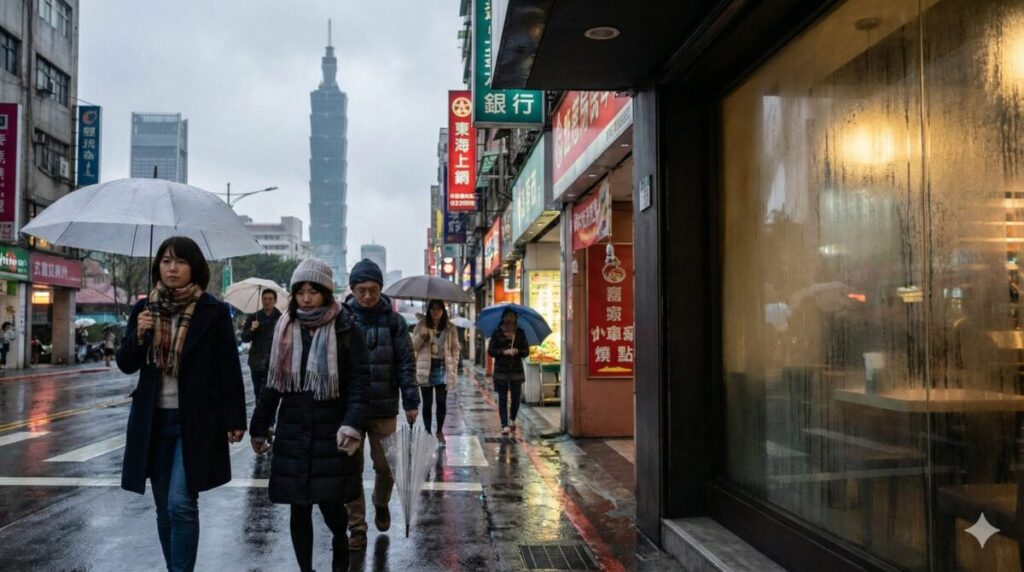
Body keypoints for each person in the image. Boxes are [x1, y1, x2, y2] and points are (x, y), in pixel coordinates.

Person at [117, 236, 247, 572]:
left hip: (196, 423)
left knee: (181, 504)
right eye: (165, 261)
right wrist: (138, 335)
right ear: (158, 266)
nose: (172, 268)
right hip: (153, 421)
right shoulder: (144, 310)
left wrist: (235, 418)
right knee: (163, 509)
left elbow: (228, 368)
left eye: (180, 261)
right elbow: (126, 363)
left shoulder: (212, 311)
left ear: (194, 268)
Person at [249, 259, 370, 572]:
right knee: (298, 509)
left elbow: (359, 384)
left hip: (332, 433)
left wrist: (353, 425)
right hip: (293, 431)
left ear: (326, 293)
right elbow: (272, 385)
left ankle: (340, 548)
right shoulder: (284, 328)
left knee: (332, 508)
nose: (305, 298)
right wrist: (259, 426)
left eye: (312, 291)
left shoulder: (345, 328)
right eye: (300, 291)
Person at [342, 258, 419, 551]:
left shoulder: (394, 322)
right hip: (350, 409)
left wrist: (411, 400)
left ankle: (380, 502)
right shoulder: (342, 319)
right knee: (350, 468)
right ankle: (357, 527)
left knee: (386, 468)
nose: (367, 296)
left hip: (385, 407)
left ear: (380, 289)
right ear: (352, 289)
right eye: (361, 290)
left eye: (373, 290)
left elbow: (405, 363)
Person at [412, 299, 461, 444]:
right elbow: (413, 346)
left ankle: (439, 431)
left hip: (442, 367)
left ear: (443, 311)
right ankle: (427, 432)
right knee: (427, 404)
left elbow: (455, 348)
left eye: (439, 308)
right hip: (425, 368)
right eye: (433, 308)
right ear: (429, 310)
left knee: (441, 401)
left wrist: (454, 363)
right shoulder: (421, 325)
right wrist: (422, 336)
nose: (436, 311)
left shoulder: (450, 327)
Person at [487, 308, 529, 435]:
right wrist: (503, 352)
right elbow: (491, 351)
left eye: (511, 316)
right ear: (503, 318)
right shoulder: (497, 333)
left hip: (516, 370)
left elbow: (526, 351)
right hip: (501, 370)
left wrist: (517, 351)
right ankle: (504, 424)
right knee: (503, 398)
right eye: (506, 316)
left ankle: (512, 419)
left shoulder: (520, 333)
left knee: (516, 398)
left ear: (516, 318)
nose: (509, 318)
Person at [240, 289, 283, 405]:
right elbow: (244, 338)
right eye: (265, 299)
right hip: (256, 362)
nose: (267, 302)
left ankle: (271, 420)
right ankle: (261, 420)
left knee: (272, 393)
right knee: (258, 392)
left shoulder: (281, 319)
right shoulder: (254, 317)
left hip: (274, 362)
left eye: (270, 299)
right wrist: (252, 329)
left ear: (275, 301)